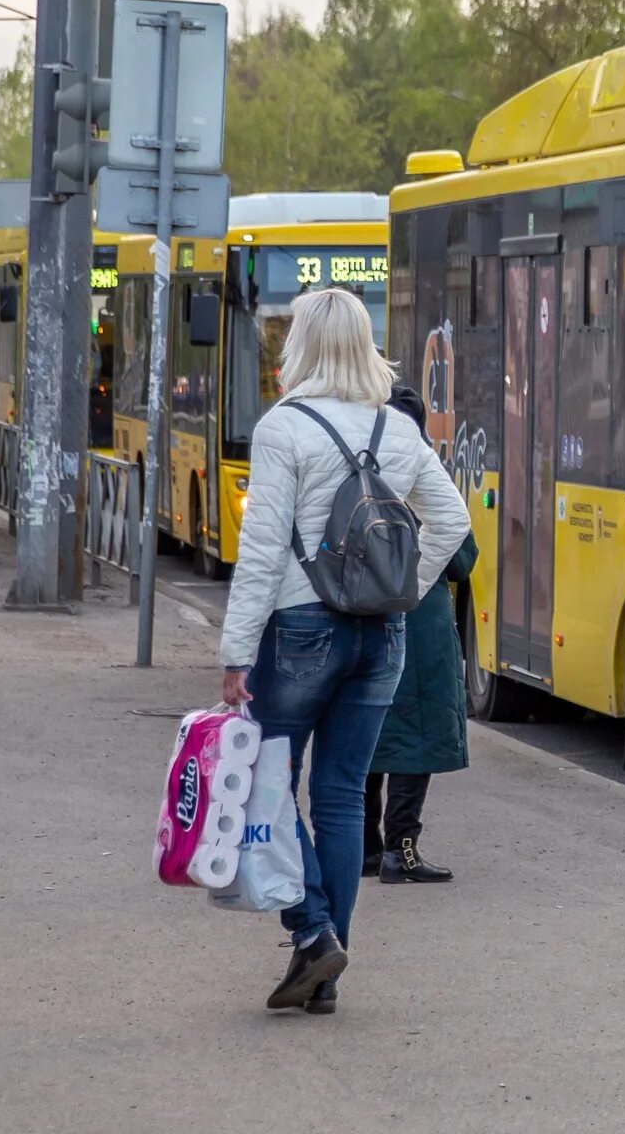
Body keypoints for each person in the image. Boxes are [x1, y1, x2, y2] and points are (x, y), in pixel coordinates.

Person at [218, 288, 467, 1014]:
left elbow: (262, 551)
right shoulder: (397, 428)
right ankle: (323, 966)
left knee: (268, 778)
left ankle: (315, 931)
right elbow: (449, 520)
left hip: (300, 628)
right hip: (380, 636)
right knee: (339, 795)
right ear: (365, 343)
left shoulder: (281, 428)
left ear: (300, 343)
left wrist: (237, 654)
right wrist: (405, 591)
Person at [362, 383, 479, 886]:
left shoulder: (360, 469)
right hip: (422, 625)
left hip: (364, 615)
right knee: (416, 735)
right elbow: (463, 557)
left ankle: (365, 847)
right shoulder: (423, 474)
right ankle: (401, 850)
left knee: (366, 735)